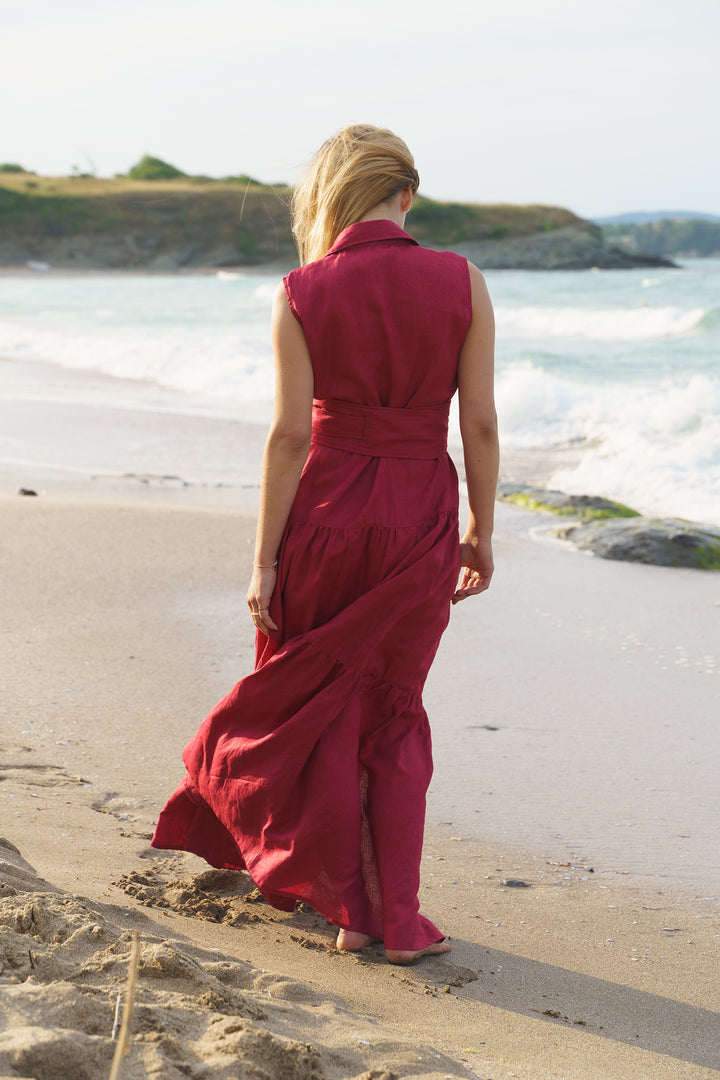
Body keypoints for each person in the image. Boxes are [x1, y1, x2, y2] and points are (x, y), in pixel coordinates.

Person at [151, 124, 498, 965]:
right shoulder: (463, 281)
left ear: (329, 200)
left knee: (323, 704)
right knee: (393, 708)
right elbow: (479, 422)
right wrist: (482, 528)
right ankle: (396, 918)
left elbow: (286, 440)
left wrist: (265, 559)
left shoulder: (302, 290)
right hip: (419, 511)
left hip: (329, 512)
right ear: (405, 193)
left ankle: (350, 907)